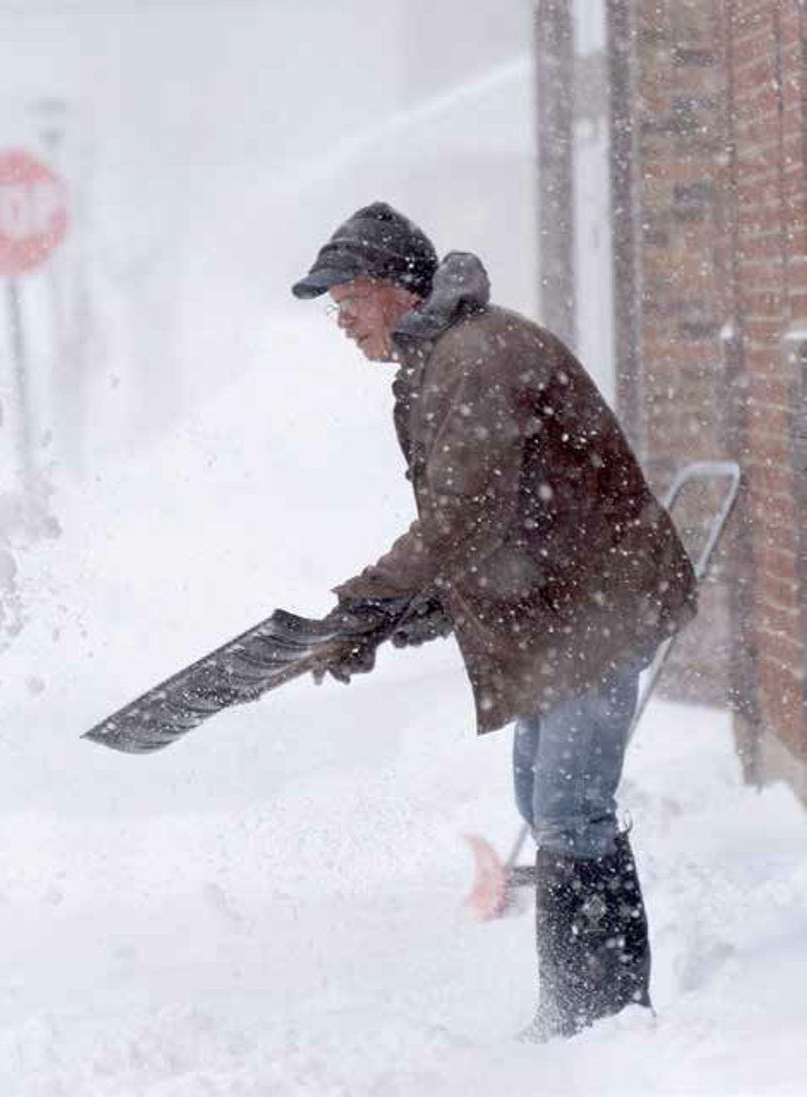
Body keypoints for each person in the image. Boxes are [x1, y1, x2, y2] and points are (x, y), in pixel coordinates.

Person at [292, 201, 697, 1040]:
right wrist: (402, 614)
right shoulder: (442, 360)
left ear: (390, 290)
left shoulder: (472, 359)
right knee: (541, 795)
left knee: (569, 804)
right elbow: (492, 520)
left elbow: (463, 517)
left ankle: (602, 1013)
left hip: (602, 599)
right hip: (563, 601)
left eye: (346, 302)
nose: (340, 322)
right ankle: (580, 1008)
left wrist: (368, 600)